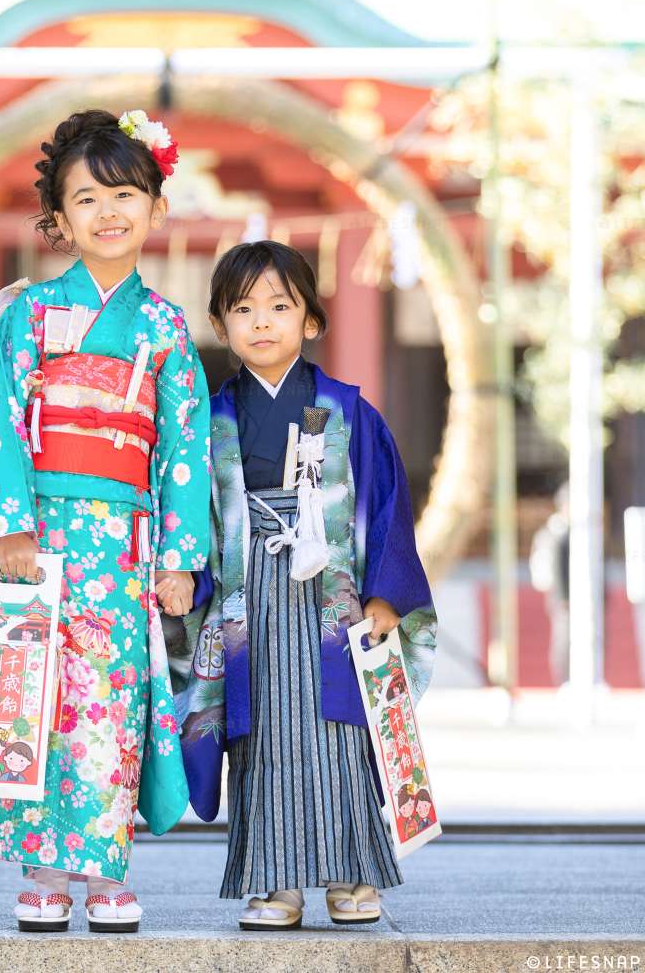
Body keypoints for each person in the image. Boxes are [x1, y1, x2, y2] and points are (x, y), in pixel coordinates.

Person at [0, 108, 211, 934]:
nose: (107, 211)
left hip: (122, 541)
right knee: (27, 695)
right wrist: (5, 526)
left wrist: (181, 554)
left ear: (156, 206)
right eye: (86, 198)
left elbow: (184, 447)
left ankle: (105, 868)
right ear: (58, 218)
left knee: (111, 701)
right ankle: (41, 868)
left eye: (125, 193)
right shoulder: (28, 313)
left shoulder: (164, 327)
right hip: (34, 537)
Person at [176, 240, 438, 930]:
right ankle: (276, 882)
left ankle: (353, 876)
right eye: (243, 308)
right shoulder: (210, 423)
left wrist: (385, 595)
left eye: (280, 306)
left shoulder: (348, 412)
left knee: (341, 729)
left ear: (311, 322)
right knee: (257, 733)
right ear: (220, 324)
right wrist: (184, 574)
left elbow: (384, 504)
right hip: (246, 599)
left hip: (333, 598)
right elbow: (190, 517)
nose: (262, 321)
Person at [529, 483, 570, 685]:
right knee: (563, 637)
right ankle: (563, 680)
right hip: (561, 594)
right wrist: (562, 596)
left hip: (570, 593)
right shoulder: (555, 533)